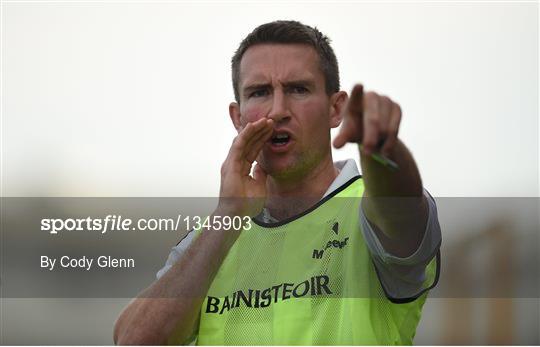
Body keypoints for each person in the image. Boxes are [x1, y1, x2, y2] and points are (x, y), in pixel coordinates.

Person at [113, 20, 441, 345]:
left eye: (298, 89)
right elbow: (134, 341)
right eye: (260, 92)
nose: (278, 109)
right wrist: (228, 216)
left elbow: (399, 210)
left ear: (336, 109)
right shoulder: (214, 235)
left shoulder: (366, 213)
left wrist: (381, 148)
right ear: (237, 117)